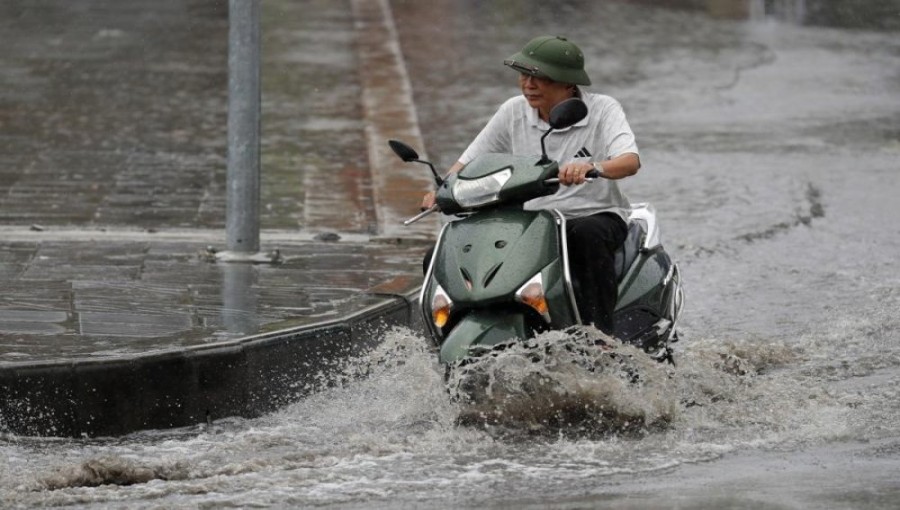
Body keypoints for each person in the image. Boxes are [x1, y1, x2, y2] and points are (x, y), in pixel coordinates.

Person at [421, 35, 640, 336]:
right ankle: (443, 333)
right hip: (532, 221)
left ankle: (599, 337)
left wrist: (593, 167)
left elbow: (629, 162)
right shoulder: (513, 111)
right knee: (441, 254)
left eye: (540, 78)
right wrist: (442, 190)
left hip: (593, 215)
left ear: (568, 84)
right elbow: (468, 161)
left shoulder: (603, 109)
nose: (528, 84)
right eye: (524, 75)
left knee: (586, 237)